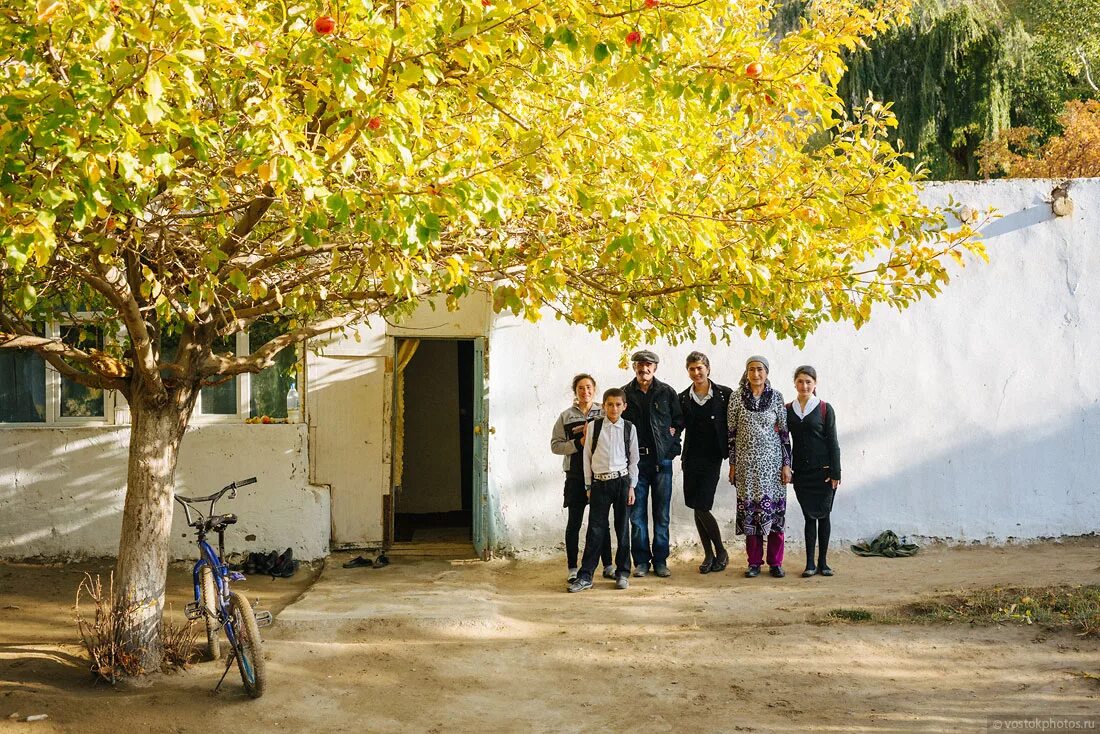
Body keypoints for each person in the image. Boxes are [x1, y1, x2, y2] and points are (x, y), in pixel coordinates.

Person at [727, 355, 792, 578]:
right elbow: (731, 436)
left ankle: (775, 563)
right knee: (751, 516)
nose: (756, 374)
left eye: (760, 370)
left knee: (774, 516)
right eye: (752, 370)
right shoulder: (736, 398)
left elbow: (784, 434)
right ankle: (754, 562)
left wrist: (786, 465)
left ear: (766, 372)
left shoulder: (776, 398)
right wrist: (733, 466)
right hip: (747, 468)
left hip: (773, 468)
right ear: (746, 373)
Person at [568, 388, 639, 592]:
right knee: (595, 530)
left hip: (622, 483)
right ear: (603, 406)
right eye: (609, 404)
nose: (614, 408)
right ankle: (586, 576)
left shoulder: (629, 428)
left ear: (624, 406)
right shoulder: (594, 427)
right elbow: (586, 458)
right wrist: (589, 485)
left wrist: (632, 486)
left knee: (622, 528)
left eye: (618, 404)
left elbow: (634, 460)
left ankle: (623, 572)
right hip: (599, 484)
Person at [622, 349, 683, 578]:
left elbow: (678, 420)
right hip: (635, 464)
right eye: (640, 364)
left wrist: (672, 447)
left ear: (655, 368)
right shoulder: (625, 393)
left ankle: (660, 561)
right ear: (634, 367)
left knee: (662, 514)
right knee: (636, 516)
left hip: (661, 463)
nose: (644, 368)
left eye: (648, 365)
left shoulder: (666, 392)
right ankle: (641, 562)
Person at [551, 374, 614, 583]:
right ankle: (572, 567)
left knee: (601, 523)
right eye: (580, 388)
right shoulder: (566, 416)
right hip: (576, 476)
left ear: (594, 389)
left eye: (588, 387)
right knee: (574, 523)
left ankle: (608, 565)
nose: (584, 391)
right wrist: (579, 442)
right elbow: (556, 446)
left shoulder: (604, 412)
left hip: (600, 476)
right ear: (575, 391)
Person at [678, 352, 734, 574]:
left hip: (712, 457)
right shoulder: (683, 398)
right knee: (695, 504)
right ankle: (709, 555)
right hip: (691, 456)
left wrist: (734, 459)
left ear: (708, 369)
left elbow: (733, 426)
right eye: (692, 369)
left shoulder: (724, 395)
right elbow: (677, 425)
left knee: (702, 504)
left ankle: (720, 551)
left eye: (700, 368)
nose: (696, 372)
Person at [786, 365, 842, 577]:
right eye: (800, 381)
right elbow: (784, 441)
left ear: (815, 384)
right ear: (795, 383)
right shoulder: (788, 409)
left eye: (808, 382)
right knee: (809, 517)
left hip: (824, 472)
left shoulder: (825, 408)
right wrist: (787, 466)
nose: (804, 385)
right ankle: (810, 564)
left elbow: (833, 442)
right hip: (801, 471)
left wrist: (836, 472)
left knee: (824, 516)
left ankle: (824, 563)